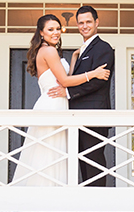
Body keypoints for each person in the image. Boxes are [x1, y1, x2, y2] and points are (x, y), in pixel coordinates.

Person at [12, 13, 110, 186]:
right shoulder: (48, 51)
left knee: (55, 151)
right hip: (53, 103)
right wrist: (93, 73)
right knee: (49, 152)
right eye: (50, 29)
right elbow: (65, 82)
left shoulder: (50, 51)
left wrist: (73, 59)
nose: (55, 32)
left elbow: (66, 78)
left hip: (58, 102)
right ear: (41, 32)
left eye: (58, 29)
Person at [47, 5, 115, 187]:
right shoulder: (82, 50)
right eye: (81, 23)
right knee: (83, 164)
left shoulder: (103, 48)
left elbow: (99, 81)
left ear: (96, 22)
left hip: (93, 116)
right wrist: (75, 59)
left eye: (88, 22)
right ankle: (86, 203)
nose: (84, 26)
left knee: (94, 164)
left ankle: (98, 204)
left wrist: (68, 92)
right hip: (76, 116)